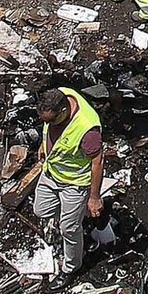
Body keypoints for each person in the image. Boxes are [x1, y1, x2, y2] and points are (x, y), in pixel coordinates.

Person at [32, 86, 104, 278]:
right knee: (41, 210)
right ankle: (79, 217)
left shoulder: (87, 129)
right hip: (51, 172)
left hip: (74, 182)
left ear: (63, 111)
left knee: (69, 229)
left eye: (50, 120)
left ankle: (72, 268)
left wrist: (94, 197)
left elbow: (97, 162)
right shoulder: (60, 94)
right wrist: (44, 144)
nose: (47, 124)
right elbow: (50, 127)